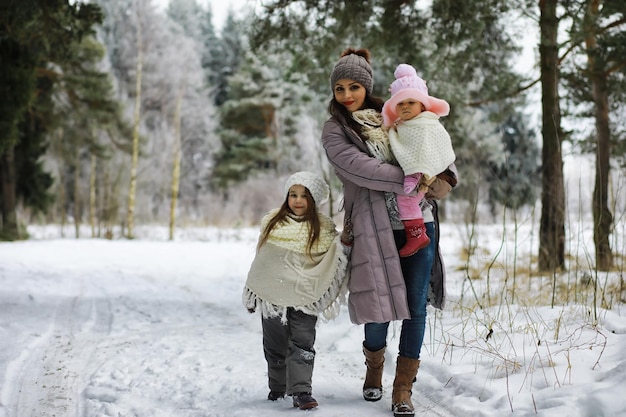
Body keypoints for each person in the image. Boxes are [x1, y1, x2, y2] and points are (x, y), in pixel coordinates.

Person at [321, 48, 457, 417]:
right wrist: (414, 178)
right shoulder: (336, 130)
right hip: (373, 226)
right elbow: (359, 169)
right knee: (379, 310)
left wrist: (440, 177)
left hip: (420, 224)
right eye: (339, 88)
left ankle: (402, 390)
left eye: (354, 86)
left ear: (367, 87)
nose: (347, 95)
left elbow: (434, 146)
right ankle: (374, 367)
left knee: (415, 308)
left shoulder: (395, 113)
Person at [242, 171, 349, 411]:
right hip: (272, 294)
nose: (297, 200)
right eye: (293, 194)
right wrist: (252, 290)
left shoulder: (323, 228)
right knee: (274, 342)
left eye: (304, 195)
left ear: (315, 199)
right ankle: (278, 387)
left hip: (306, 295)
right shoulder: (273, 222)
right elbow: (263, 260)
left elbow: (332, 259)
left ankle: (301, 390)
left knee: (302, 341)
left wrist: (347, 240)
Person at [381, 64, 456, 257]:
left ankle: (416, 234)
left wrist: (419, 172)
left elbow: (426, 149)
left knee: (406, 199)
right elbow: (405, 148)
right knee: (406, 199)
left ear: (422, 105)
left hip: (426, 178)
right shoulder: (403, 126)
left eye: (410, 102)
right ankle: (416, 233)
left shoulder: (426, 123)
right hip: (413, 183)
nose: (405, 106)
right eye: (400, 103)